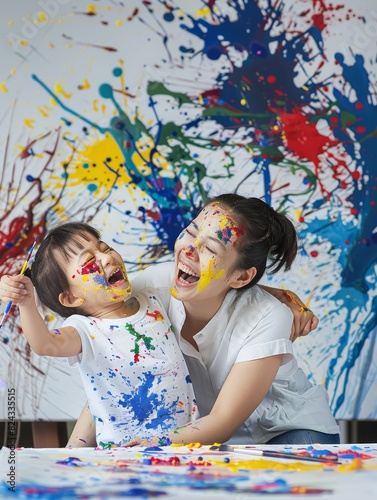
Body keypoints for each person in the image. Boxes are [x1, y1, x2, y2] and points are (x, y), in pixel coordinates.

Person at [68, 193, 340, 447]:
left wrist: (153, 442)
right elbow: (112, 370)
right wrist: (73, 450)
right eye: (190, 232)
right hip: (204, 438)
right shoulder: (152, 287)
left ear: (242, 277)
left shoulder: (269, 316)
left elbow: (222, 422)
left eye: (210, 248)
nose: (188, 250)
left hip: (287, 431)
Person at [0, 222, 199, 447]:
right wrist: (26, 304)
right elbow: (46, 344)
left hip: (185, 447)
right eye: (89, 261)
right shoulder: (85, 331)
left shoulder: (152, 299)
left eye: (104, 248)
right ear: (72, 298)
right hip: (122, 457)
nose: (106, 258)